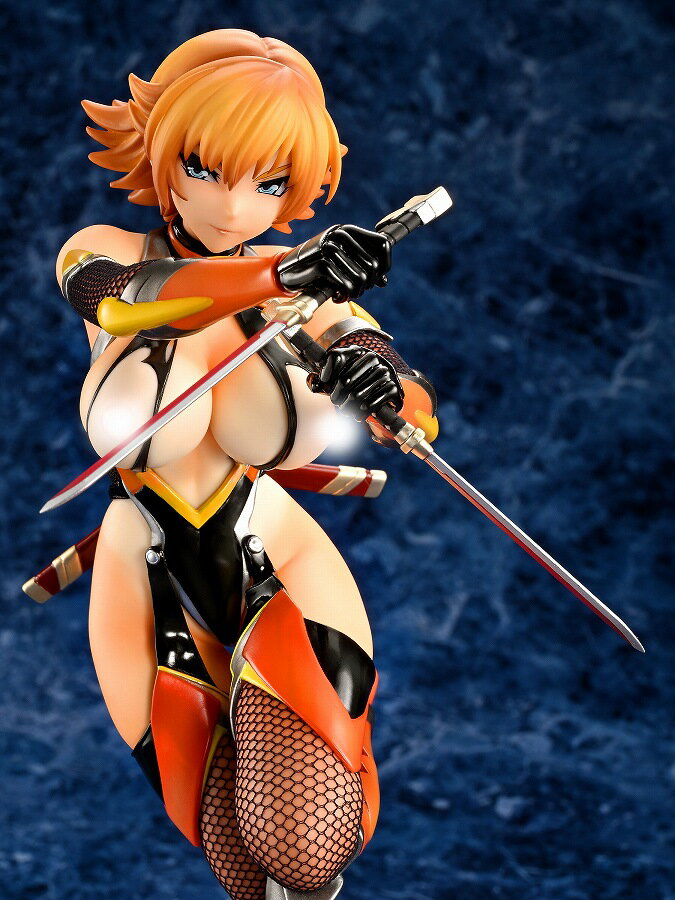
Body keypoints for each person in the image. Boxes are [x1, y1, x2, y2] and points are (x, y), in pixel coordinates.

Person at [55, 29, 438, 900]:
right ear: (162, 152)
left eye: (268, 183)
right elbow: (123, 306)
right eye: (205, 168)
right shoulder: (105, 249)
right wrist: (279, 276)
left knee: (300, 844)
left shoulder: (310, 291)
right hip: (142, 568)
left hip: (274, 551)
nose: (233, 207)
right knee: (232, 856)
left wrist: (387, 392)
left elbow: (404, 388)